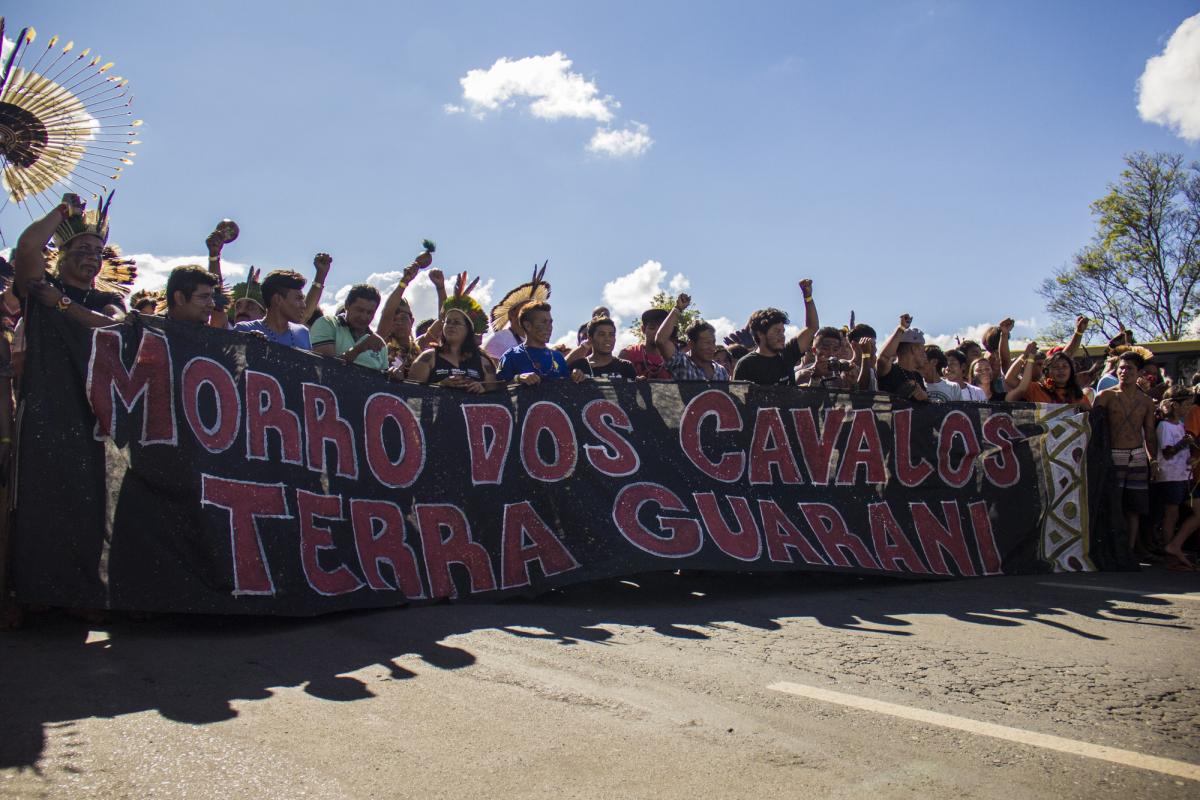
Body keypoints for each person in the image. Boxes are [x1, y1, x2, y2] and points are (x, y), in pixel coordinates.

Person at [12, 193, 127, 327]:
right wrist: (63, 210)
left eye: (99, 251)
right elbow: (27, 246)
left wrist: (61, 302)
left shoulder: (109, 299)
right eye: (84, 248)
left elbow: (118, 324)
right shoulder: (42, 286)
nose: (93, 256)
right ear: (63, 254)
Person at [1094, 348, 1159, 557]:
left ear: (1139, 373)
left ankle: (1128, 552)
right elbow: (1094, 429)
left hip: (1137, 456)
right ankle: (1109, 550)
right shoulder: (1105, 396)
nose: (1124, 372)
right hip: (1113, 455)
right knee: (1111, 504)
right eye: (1121, 368)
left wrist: (1153, 460)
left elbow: (1150, 433)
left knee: (1134, 507)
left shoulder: (1146, 401)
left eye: (1129, 369)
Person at [732, 278, 820, 385]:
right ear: (760, 334)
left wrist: (808, 297)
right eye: (777, 331)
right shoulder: (746, 365)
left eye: (783, 331)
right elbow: (736, 394)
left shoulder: (787, 354)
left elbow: (812, 327)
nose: (782, 336)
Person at [407, 305, 497, 393]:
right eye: (448, 322)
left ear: (468, 329)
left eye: (457, 322)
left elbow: (495, 397)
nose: (451, 325)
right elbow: (410, 392)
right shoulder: (428, 357)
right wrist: (439, 385)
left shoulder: (483, 362)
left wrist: (481, 389)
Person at [1152, 387, 1195, 570]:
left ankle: (1174, 547)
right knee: (1171, 515)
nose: (1188, 409)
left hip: (1183, 474)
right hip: (1170, 476)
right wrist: (1183, 443)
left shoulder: (1180, 425)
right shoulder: (1164, 426)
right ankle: (1169, 553)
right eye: (1186, 405)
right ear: (1175, 405)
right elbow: (1168, 452)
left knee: (1178, 514)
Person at [497, 301, 585, 385]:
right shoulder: (510, 356)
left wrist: (576, 377)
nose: (549, 327)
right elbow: (498, 387)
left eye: (550, 322)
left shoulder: (558, 357)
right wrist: (518, 378)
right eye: (544, 322)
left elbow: (567, 386)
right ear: (528, 326)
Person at [311, 284, 388, 371]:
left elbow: (385, 378)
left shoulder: (379, 344)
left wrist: (393, 374)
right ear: (347, 305)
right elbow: (326, 369)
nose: (364, 317)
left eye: (370, 312)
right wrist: (359, 349)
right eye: (360, 310)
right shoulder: (327, 324)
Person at [655, 294, 729, 381]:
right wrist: (677, 309)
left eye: (713, 342)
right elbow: (661, 340)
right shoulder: (681, 363)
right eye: (707, 343)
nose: (712, 348)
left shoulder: (721, 371)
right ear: (691, 344)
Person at [485, 262, 550, 361]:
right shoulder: (499, 339)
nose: (530, 313)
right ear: (512, 314)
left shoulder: (539, 344)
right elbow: (495, 368)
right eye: (525, 309)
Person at [234, 269, 312, 349]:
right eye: (298, 299)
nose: (303, 305)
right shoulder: (245, 329)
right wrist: (251, 344)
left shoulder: (303, 333)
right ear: (278, 299)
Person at [1009, 347, 1091, 408]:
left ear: (1071, 371)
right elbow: (1010, 379)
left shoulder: (1079, 396)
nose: (1061, 370)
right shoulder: (1036, 389)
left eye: (1065, 366)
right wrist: (1025, 355)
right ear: (1047, 371)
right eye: (1056, 367)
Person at [796, 326, 870, 391]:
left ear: (839, 351)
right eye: (825, 348)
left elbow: (862, 397)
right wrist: (815, 378)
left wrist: (853, 384)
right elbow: (803, 400)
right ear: (814, 351)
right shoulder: (804, 375)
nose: (831, 353)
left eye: (835, 349)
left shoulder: (844, 372)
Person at [876, 315, 929, 401]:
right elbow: (883, 358)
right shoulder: (890, 371)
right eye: (923, 351)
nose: (925, 355)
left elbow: (925, 403)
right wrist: (901, 328)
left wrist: (923, 396)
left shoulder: (917, 376)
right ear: (914, 349)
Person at [569, 317, 636, 380]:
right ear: (590, 338)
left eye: (611, 334)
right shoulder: (578, 366)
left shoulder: (625, 366)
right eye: (602, 334)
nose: (607, 339)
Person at [619, 308, 674, 379]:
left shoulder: (676, 358)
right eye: (652, 328)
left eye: (661, 329)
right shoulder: (628, 354)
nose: (657, 332)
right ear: (643, 329)